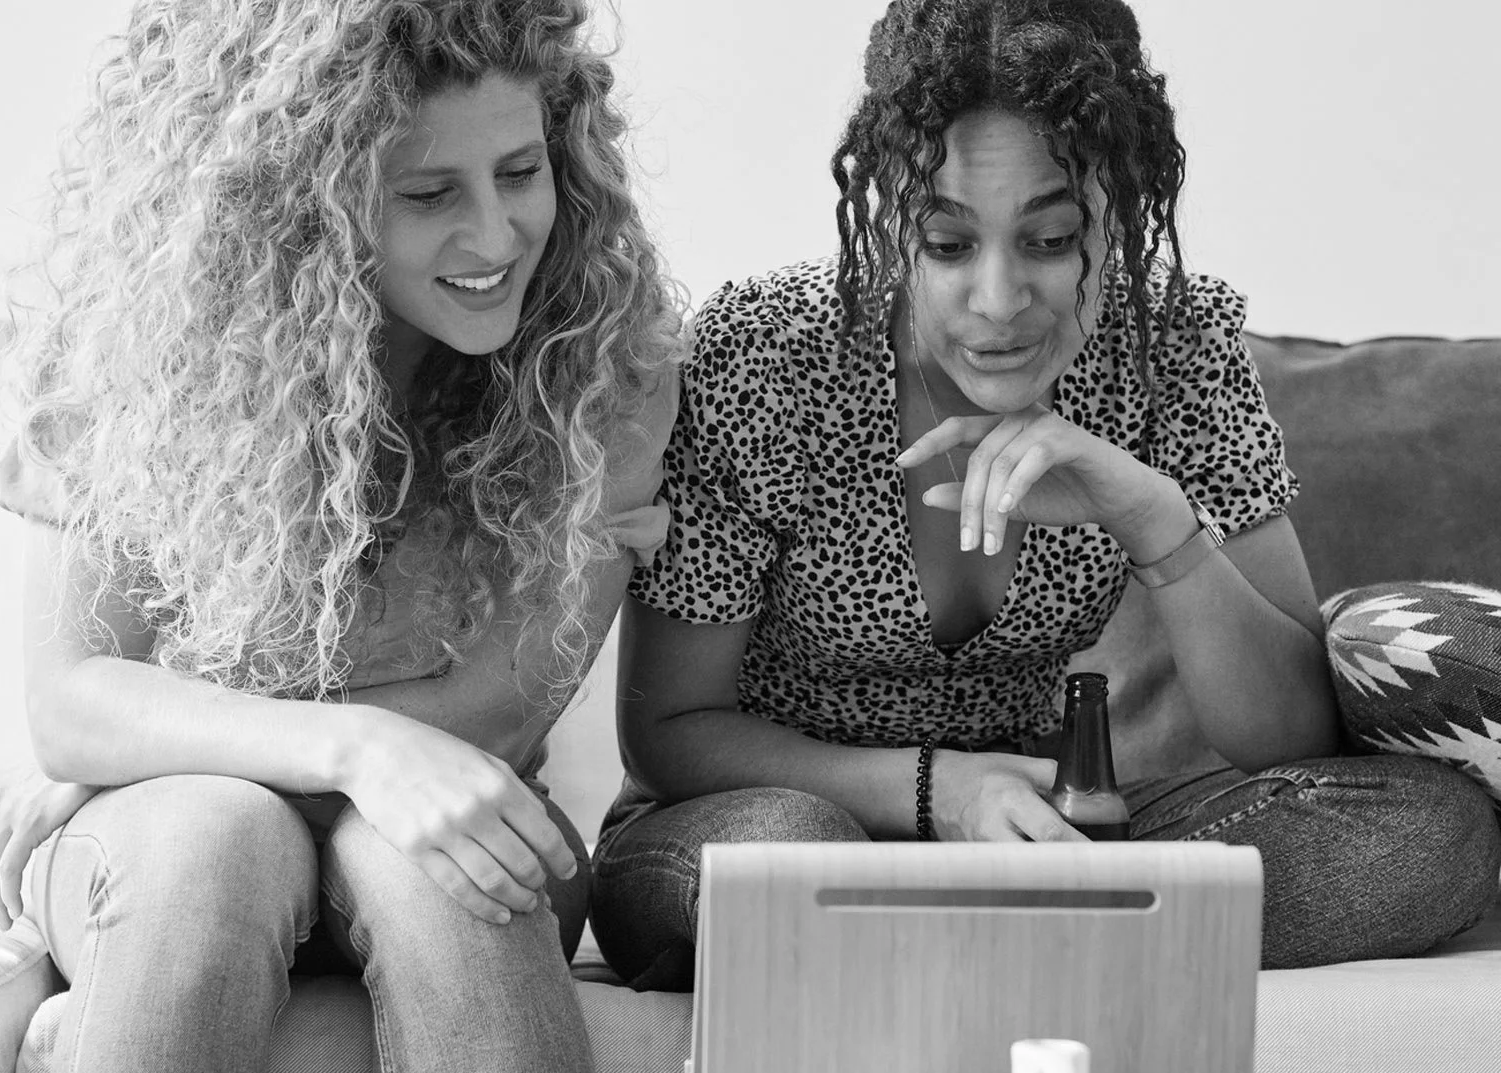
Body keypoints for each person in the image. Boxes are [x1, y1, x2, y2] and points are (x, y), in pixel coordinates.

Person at [0, 1, 682, 1073]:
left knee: (450, 865)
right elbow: (74, 696)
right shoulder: (131, 351)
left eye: (520, 173)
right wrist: (349, 748)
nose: (493, 235)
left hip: (420, 821)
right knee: (215, 843)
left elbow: (504, 707)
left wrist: (176, 723)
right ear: (304, 202)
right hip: (177, 836)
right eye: (425, 193)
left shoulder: (604, 363)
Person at [590, 0, 1499, 994]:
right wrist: (944, 790)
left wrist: (1154, 521)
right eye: (944, 243)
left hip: (1025, 829)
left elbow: (1287, 737)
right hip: (755, 821)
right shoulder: (768, 359)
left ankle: (958, 951)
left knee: (1426, 833)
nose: (995, 299)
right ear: (889, 216)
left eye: (1049, 236)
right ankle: (1051, 947)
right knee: (792, 853)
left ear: (1119, 203)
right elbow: (671, 730)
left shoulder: (1170, 350)